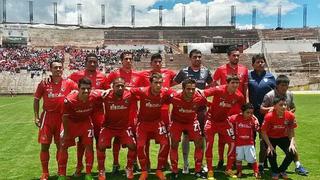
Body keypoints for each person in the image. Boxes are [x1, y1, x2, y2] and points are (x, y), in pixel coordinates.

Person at [34, 60, 77, 180]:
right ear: (50, 69)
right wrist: (36, 116)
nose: (58, 69)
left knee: (62, 146)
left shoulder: (69, 83)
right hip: (47, 117)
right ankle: (45, 173)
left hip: (63, 118)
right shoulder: (44, 83)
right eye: (55, 68)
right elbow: (36, 99)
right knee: (44, 146)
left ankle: (61, 173)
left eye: (60, 67)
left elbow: (81, 91)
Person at [103, 51, 146, 173]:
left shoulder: (139, 75)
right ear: (121, 60)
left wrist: (134, 93)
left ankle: (134, 162)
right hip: (117, 110)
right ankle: (116, 163)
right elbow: (105, 85)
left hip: (132, 111)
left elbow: (144, 90)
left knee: (134, 138)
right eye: (126, 59)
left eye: (130, 59)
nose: (128, 61)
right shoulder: (114, 73)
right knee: (117, 137)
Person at [173, 49, 213, 173]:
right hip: (186, 110)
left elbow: (211, 86)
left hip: (201, 110)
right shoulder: (184, 71)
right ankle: (185, 164)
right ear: (190, 58)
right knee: (185, 136)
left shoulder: (206, 71)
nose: (197, 59)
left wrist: (203, 93)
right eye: (195, 57)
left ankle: (202, 163)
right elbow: (173, 85)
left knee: (202, 137)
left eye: (199, 57)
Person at [260, 74, 308, 176]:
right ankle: (261, 166)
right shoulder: (269, 95)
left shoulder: (289, 94)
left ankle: (298, 166)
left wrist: (288, 113)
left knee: (292, 147)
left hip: (284, 128)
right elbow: (261, 109)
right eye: (282, 85)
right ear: (277, 85)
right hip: (270, 127)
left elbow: (293, 107)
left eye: (286, 86)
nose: (284, 88)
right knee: (266, 148)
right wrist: (273, 109)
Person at [68, 53, 106, 177]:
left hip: (98, 114)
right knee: (82, 143)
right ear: (85, 62)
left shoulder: (102, 76)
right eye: (90, 61)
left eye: (95, 62)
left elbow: (107, 92)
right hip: (83, 114)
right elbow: (64, 84)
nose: (92, 64)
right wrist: (49, 78)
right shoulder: (77, 75)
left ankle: (101, 169)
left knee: (100, 142)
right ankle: (79, 167)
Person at [212, 46, 249, 169]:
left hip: (237, 107)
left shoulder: (244, 69)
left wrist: (246, 104)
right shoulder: (221, 69)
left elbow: (245, 88)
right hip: (224, 107)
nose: (236, 57)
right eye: (234, 55)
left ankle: (233, 159)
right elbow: (213, 84)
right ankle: (221, 159)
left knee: (235, 135)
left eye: (238, 55)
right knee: (222, 136)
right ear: (228, 56)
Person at [58, 78, 101, 180]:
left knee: (89, 146)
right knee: (63, 146)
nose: (86, 91)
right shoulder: (69, 100)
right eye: (83, 88)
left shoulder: (94, 96)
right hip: (70, 123)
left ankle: (88, 173)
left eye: (88, 89)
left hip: (85, 122)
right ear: (78, 88)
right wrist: (67, 133)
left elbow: (107, 91)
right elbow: (64, 117)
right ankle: (62, 175)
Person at [202, 75, 245, 179]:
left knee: (232, 142)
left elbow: (243, 108)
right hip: (211, 121)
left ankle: (228, 169)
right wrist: (208, 104)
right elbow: (203, 93)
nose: (235, 85)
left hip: (224, 122)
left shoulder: (239, 96)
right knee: (209, 144)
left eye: (237, 83)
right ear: (227, 83)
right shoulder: (219, 89)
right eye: (232, 83)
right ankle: (210, 170)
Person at [138, 53, 176, 169]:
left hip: (164, 112)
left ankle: (166, 161)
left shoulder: (168, 73)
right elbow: (137, 88)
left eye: (159, 61)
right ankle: (147, 163)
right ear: (151, 63)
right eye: (155, 62)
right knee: (146, 139)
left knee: (166, 138)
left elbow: (177, 80)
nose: (158, 64)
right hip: (148, 111)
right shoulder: (143, 75)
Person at [131, 73, 172, 180]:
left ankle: (159, 170)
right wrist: (109, 90)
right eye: (156, 83)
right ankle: (144, 171)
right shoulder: (143, 91)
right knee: (140, 146)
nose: (158, 85)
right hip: (143, 123)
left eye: (160, 83)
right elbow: (128, 90)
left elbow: (177, 93)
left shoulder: (165, 91)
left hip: (157, 123)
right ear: (150, 83)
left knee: (165, 144)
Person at [97, 77, 137, 180]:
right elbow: (92, 92)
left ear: (125, 87)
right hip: (108, 127)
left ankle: (129, 168)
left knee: (132, 146)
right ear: (112, 87)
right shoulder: (106, 95)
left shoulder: (129, 94)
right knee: (101, 147)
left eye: (122, 86)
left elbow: (144, 90)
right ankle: (101, 170)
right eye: (117, 86)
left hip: (124, 128)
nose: (120, 88)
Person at [168, 78, 207, 179]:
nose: (191, 91)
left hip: (191, 122)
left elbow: (205, 106)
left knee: (199, 144)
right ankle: (174, 171)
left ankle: (198, 170)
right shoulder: (174, 97)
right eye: (188, 89)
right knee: (174, 145)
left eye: (193, 89)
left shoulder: (200, 97)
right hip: (177, 122)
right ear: (183, 89)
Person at [248, 54, 276, 175]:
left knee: (265, 138)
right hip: (252, 112)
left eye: (262, 62)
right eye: (258, 62)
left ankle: (264, 161)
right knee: (251, 137)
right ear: (253, 64)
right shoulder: (248, 76)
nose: (260, 64)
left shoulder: (270, 77)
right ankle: (251, 160)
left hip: (266, 112)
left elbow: (276, 93)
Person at [261, 97, 297, 180]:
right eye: (281, 105)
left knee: (292, 152)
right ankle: (275, 171)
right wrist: (269, 145)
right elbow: (263, 132)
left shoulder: (290, 115)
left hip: (283, 137)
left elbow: (291, 130)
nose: (284, 107)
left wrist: (292, 143)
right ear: (274, 106)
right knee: (271, 153)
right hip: (270, 138)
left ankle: (281, 170)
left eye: (285, 104)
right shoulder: (269, 116)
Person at [229, 103, 260, 178]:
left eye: (251, 113)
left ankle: (256, 172)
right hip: (238, 143)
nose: (250, 114)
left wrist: (256, 121)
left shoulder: (253, 120)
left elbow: (257, 129)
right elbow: (228, 120)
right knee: (238, 159)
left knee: (252, 158)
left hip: (249, 143)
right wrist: (231, 131)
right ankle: (239, 172)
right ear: (242, 112)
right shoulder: (236, 118)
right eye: (247, 112)